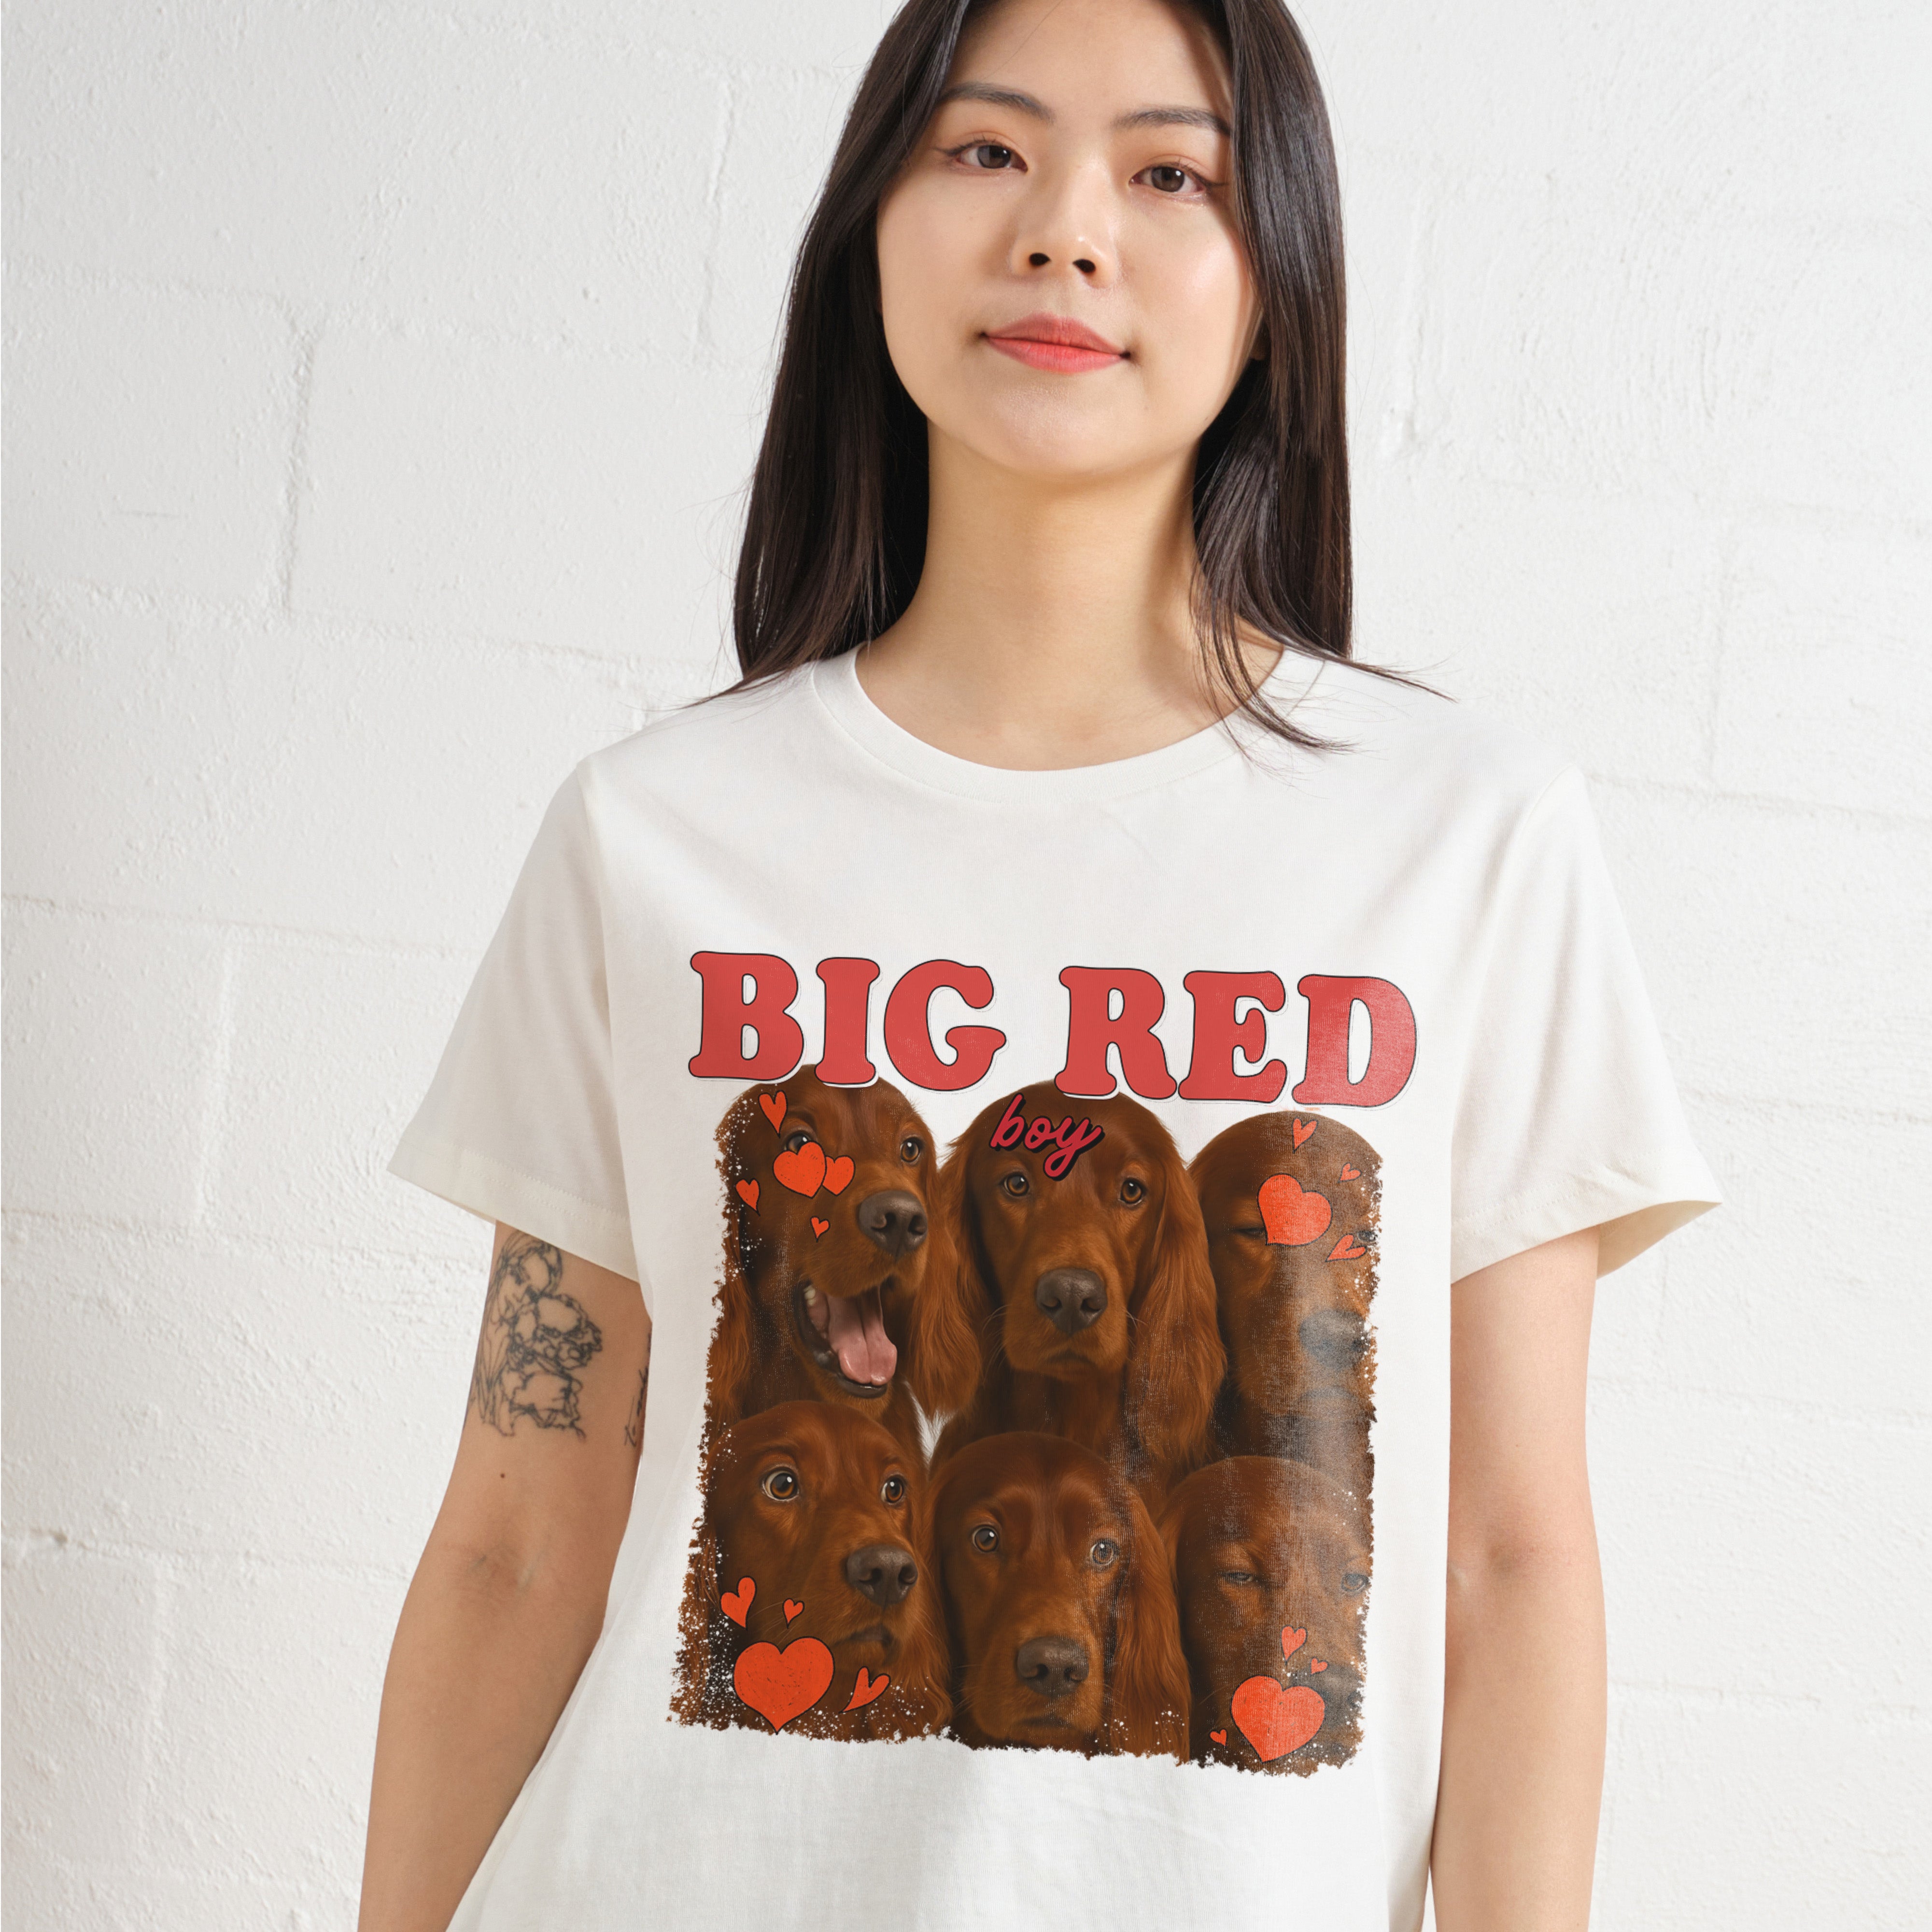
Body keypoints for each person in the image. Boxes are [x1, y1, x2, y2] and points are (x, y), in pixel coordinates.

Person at [358, 0, 1720, 1926]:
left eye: (1169, 175)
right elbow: (517, 1540)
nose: (1066, 230)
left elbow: (1506, 1564)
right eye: (985, 150)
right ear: (873, 228)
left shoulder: (1464, 839)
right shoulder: (652, 834)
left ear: (1275, 282)